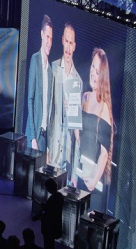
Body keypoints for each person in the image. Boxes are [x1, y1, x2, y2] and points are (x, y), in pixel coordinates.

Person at [71, 48, 114, 212]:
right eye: (92, 67)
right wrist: (72, 113)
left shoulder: (104, 108)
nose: (93, 74)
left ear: (102, 76)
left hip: (95, 182)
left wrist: (94, 180)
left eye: (97, 71)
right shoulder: (85, 97)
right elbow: (79, 139)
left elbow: (104, 153)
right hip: (82, 173)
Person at [48, 22, 82, 171]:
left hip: (66, 152)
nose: (68, 48)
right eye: (66, 42)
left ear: (74, 46)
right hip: (52, 146)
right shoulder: (54, 68)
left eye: (71, 43)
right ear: (62, 40)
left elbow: (76, 128)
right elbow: (48, 110)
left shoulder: (78, 81)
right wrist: (46, 148)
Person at [26, 15, 53, 152]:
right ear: (42, 34)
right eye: (47, 37)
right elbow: (30, 99)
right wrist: (32, 138)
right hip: (34, 136)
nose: (49, 42)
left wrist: (47, 144)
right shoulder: (35, 60)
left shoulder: (50, 71)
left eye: (51, 38)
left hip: (44, 138)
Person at [34, 178, 63, 249]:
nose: (47, 190)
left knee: (48, 244)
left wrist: (39, 216)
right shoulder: (59, 196)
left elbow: (50, 213)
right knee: (50, 244)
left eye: (47, 188)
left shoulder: (53, 198)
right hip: (55, 226)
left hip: (49, 227)